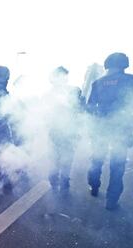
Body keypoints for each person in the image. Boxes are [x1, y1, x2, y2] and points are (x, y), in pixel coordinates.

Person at [86, 52, 133, 210]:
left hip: (101, 128)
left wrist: (91, 127)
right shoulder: (130, 81)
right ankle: (111, 201)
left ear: (107, 65)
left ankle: (93, 186)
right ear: (124, 65)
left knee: (97, 159)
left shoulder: (98, 83)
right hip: (121, 129)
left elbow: (90, 107)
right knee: (117, 164)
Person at [48, 66, 85, 194]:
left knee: (60, 158)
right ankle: (59, 182)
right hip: (61, 131)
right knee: (61, 158)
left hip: (66, 131)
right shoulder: (57, 93)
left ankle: (58, 181)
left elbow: (80, 110)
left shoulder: (71, 91)